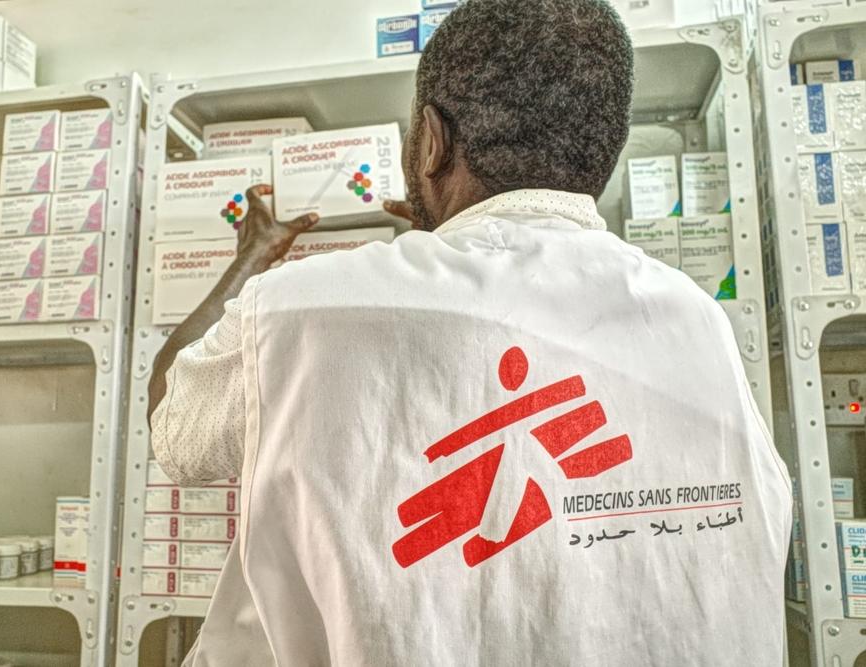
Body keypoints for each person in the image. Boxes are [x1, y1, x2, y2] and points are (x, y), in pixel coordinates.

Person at [149, 0, 792, 664]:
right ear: (601, 155)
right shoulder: (697, 321)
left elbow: (173, 428)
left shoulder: (298, 310)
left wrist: (251, 258)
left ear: (432, 140)